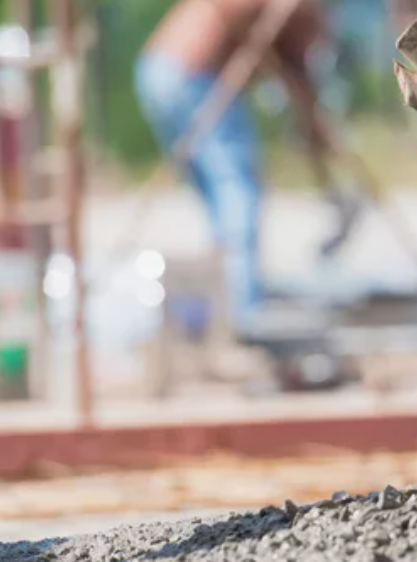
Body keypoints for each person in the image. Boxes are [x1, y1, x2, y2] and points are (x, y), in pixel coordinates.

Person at [135, 0, 328, 337]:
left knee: (220, 199)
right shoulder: (301, 10)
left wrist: (312, 128)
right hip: (192, 73)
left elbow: (296, 73)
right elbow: (297, 65)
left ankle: (223, 299)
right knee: (237, 186)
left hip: (159, 69)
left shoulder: (290, 15)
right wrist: (312, 125)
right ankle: (242, 310)